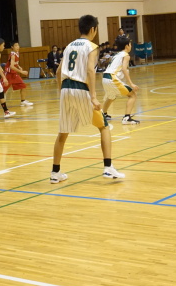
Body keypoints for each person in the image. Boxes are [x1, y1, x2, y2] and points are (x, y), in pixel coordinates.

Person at [49, 15, 125, 184]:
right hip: (81, 89)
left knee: (63, 133)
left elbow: (59, 71)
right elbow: (90, 71)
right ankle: (108, 167)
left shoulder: (69, 46)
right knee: (104, 127)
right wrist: (93, 97)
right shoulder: (91, 46)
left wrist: (61, 91)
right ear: (93, 29)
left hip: (66, 89)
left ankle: (55, 172)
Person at [101, 36, 139, 124]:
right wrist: (131, 84)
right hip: (112, 78)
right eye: (130, 44)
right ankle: (127, 118)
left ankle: (103, 114)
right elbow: (124, 69)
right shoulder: (126, 55)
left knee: (111, 96)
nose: (131, 46)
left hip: (105, 77)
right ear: (126, 46)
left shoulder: (116, 55)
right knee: (133, 95)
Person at [2, 42, 33, 106]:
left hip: (14, 74)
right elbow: (11, 66)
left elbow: (15, 63)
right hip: (8, 74)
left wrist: (19, 66)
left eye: (18, 45)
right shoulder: (13, 55)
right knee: (2, 90)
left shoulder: (17, 53)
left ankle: (23, 101)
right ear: (12, 47)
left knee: (23, 85)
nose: (18, 47)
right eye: (16, 45)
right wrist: (21, 72)